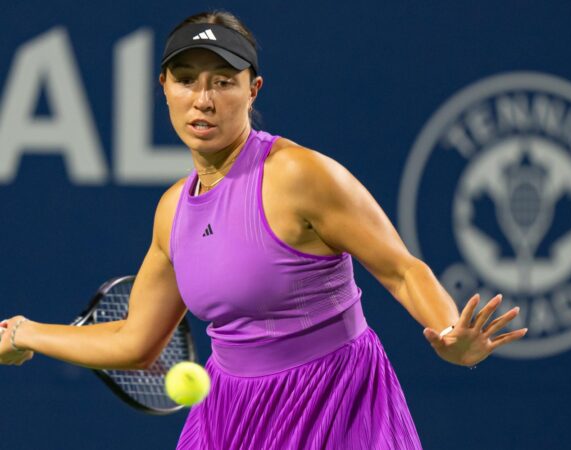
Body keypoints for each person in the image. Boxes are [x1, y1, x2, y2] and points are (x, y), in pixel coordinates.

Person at [0, 10, 527, 450]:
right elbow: (136, 341)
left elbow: (401, 269)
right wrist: (23, 332)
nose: (202, 100)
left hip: (336, 404)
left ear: (253, 90)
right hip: (229, 416)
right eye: (186, 80)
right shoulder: (171, 212)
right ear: (163, 87)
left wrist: (451, 334)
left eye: (222, 83)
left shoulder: (299, 176)